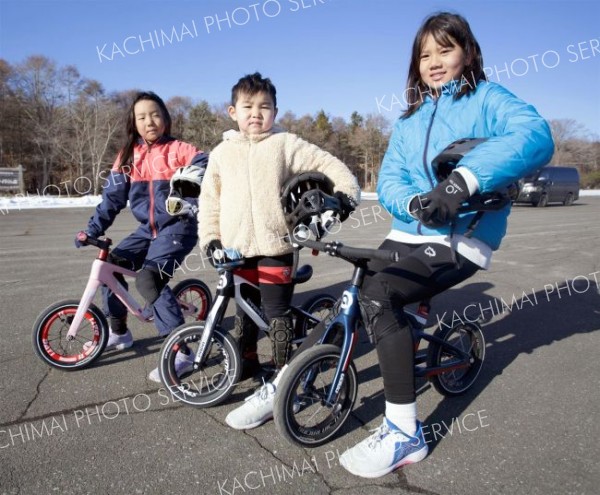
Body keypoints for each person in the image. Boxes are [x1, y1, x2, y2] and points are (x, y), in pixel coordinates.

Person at [336, 12, 554, 478]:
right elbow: (391, 176)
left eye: (445, 49)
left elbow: (535, 136)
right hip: (406, 234)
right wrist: (414, 201)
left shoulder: (488, 98)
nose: (434, 61)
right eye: (424, 54)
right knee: (355, 295)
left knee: (382, 296)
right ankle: (285, 383)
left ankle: (403, 433)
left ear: (467, 52)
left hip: (462, 239)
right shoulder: (410, 119)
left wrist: (463, 181)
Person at [198, 72, 360, 430]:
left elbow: (329, 164)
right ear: (232, 111)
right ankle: (247, 364)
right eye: (248, 107)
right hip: (236, 251)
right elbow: (209, 202)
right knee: (244, 315)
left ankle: (283, 383)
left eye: (265, 107)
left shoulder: (285, 144)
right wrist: (209, 240)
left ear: (275, 111)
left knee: (276, 315)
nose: (256, 113)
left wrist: (346, 195)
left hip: (277, 247)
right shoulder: (221, 154)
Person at [75, 91, 208, 378]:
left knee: (150, 279)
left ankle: (183, 353)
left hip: (179, 227)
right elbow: (111, 199)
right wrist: (92, 229)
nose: (150, 121)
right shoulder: (126, 157)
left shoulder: (179, 149)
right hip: (147, 230)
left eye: (156, 114)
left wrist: (191, 176)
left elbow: (206, 161)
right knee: (111, 266)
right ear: (133, 123)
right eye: (142, 117)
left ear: (166, 118)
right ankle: (120, 333)